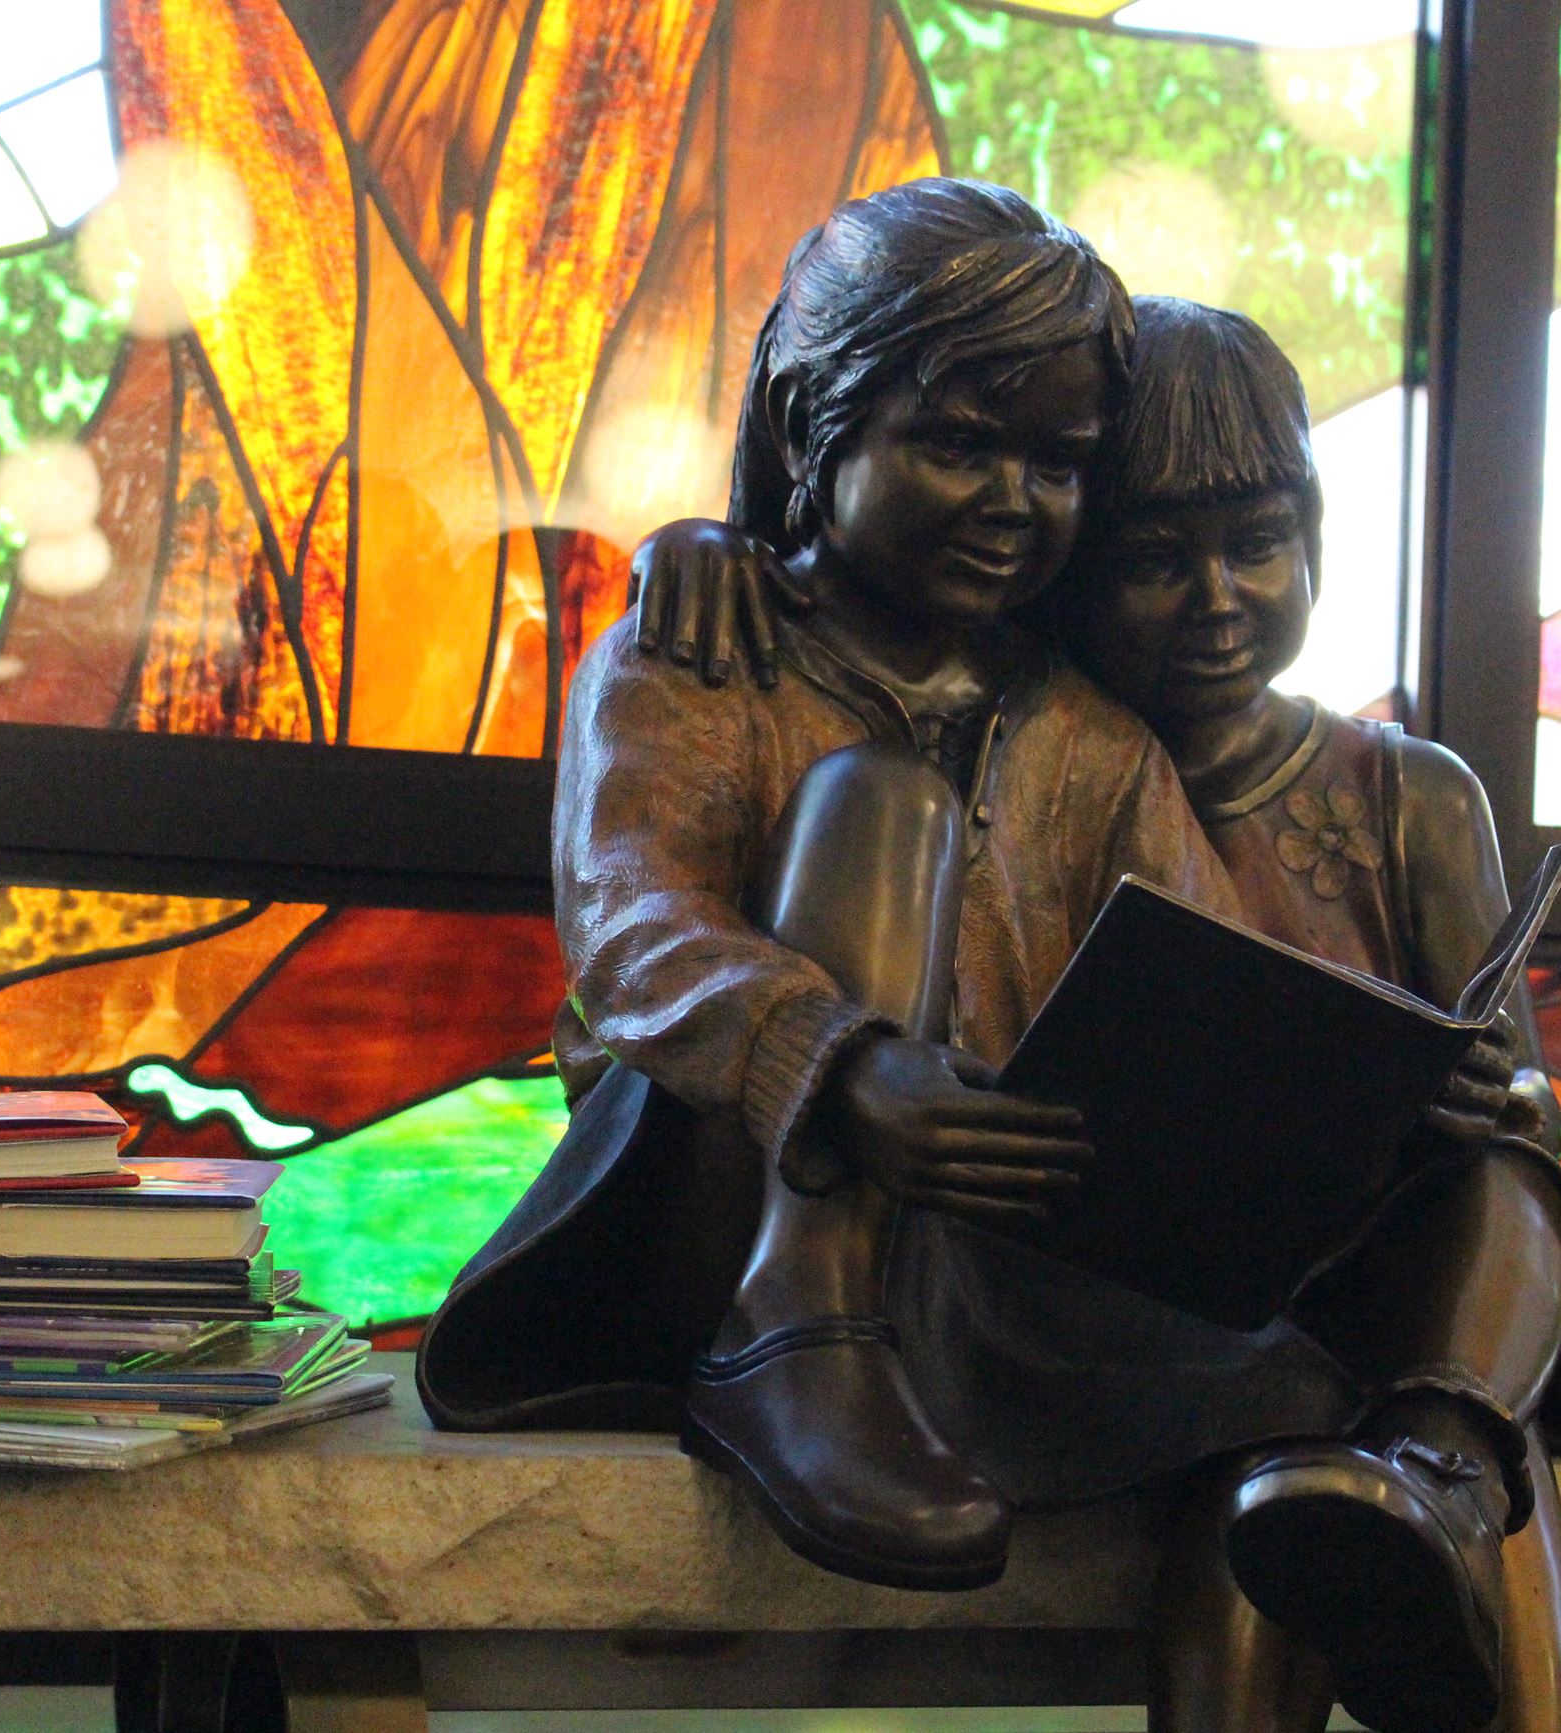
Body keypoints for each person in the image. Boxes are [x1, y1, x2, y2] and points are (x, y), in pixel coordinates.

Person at [625, 295, 1561, 1733]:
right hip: (1133, 1294)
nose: (1216, 598)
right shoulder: (1034, 742)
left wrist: (1483, 1093)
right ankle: (1400, 1497)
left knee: (1495, 1197)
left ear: (1314, 539)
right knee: (1282, 1459)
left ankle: (1433, 1485)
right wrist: (713, 549)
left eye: (1259, 544)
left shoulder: (1406, 793)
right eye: (1151, 557)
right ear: (1063, 569)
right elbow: (849, 630)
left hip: (1400, 1303)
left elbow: (1535, 1112)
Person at [419, 180, 1245, 1596]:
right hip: (712, 1223)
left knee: (1284, 1405)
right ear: (812, 427)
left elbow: (1207, 996)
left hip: (984, 1262)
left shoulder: (1092, 737)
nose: (1013, 501)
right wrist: (842, 1068)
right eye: (960, 444)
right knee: (879, 800)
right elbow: (633, 923)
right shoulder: (693, 658)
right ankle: (800, 1329)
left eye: (1057, 465)